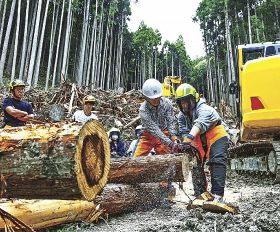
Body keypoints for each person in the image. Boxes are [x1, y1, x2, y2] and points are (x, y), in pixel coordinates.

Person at [175, 83, 229, 203]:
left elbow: (200, 123)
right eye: (181, 102)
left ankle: (217, 195)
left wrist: (188, 139)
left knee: (217, 161)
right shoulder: (181, 116)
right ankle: (200, 194)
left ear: (193, 99)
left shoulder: (204, 108)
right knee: (196, 165)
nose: (184, 105)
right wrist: (185, 144)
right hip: (197, 139)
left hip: (215, 134)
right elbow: (183, 130)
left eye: (186, 101)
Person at [133, 78, 179, 157]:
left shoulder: (167, 103)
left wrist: (174, 137)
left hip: (164, 132)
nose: (156, 100)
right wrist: (170, 143)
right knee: (136, 159)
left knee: (166, 159)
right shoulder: (143, 109)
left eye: (157, 98)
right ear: (146, 98)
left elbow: (170, 122)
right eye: (152, 99)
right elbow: (154, 130)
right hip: (148, 135)